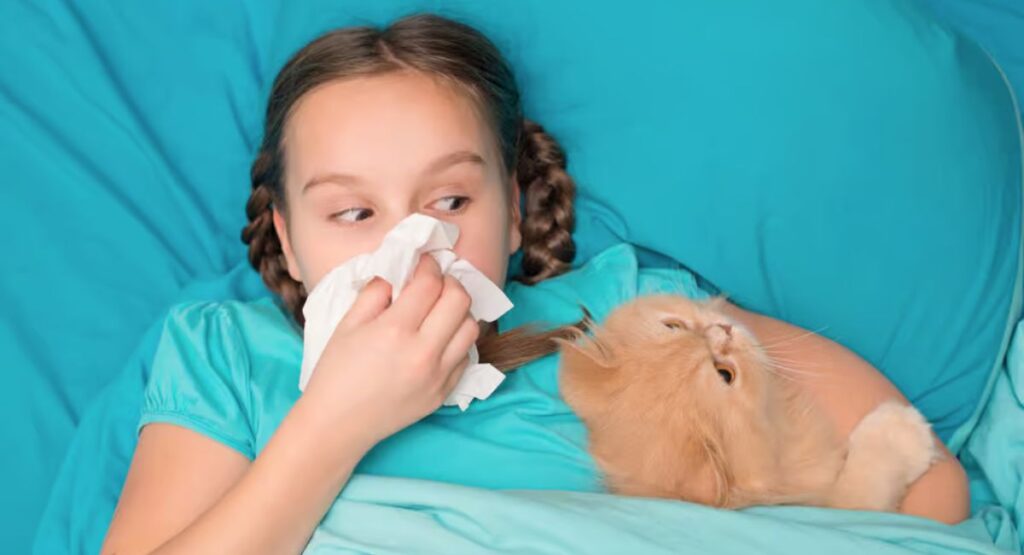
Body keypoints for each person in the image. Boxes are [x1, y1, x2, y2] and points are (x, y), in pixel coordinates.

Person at [100, 13, 968, 555]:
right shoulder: (225, 354)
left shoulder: (631, 314)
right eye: (352, 214)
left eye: (448, 199)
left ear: (514, 216)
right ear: (287, 241)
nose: (415, 248)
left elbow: (927, 480)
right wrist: (338, 417)